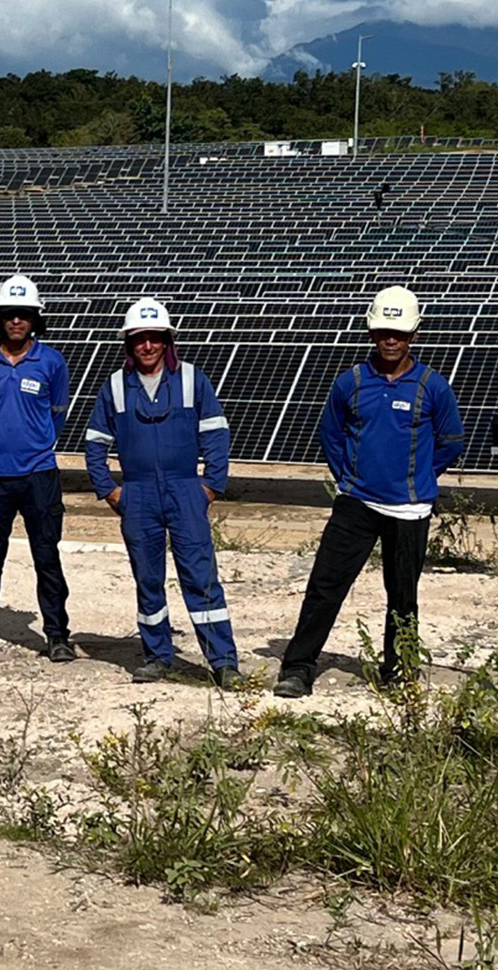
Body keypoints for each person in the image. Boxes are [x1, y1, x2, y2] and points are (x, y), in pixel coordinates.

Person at [273, 286, 467, 698]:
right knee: (325, 587)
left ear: (413, 333)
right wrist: (350, 477)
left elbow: (450, 442)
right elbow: (331, 433)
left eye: (398, 332)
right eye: (382, 331)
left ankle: (398, 671)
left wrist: (417, 478)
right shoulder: (351, 383)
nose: (390, 339)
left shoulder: (433, 387)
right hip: (356, 504)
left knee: (403, 596)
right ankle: (298, 667)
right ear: (371, 331)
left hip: (410, 511)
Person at [83, 299, 242, 688]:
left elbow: (217, 433)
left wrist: (210, 485)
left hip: (185, 490)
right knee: (148, 579)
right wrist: (109, 490)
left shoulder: (191, 379)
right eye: (140, 339)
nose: (148, 346)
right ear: (130, 344)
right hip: (137, 495)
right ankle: (157, 656)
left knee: (200, 576)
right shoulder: (116, 386)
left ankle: (223, 662)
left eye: (155, 338)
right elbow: (95, 443)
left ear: (167, 341)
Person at [0, 274, 75, 663]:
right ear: (0, 319)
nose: (16, 321)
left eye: (24, 315)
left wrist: (33, 444)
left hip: (39, 475)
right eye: (9, 315)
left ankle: (57, 635)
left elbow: (57, 413)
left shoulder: (52, 362)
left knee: (46, 556)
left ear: (35, 319)